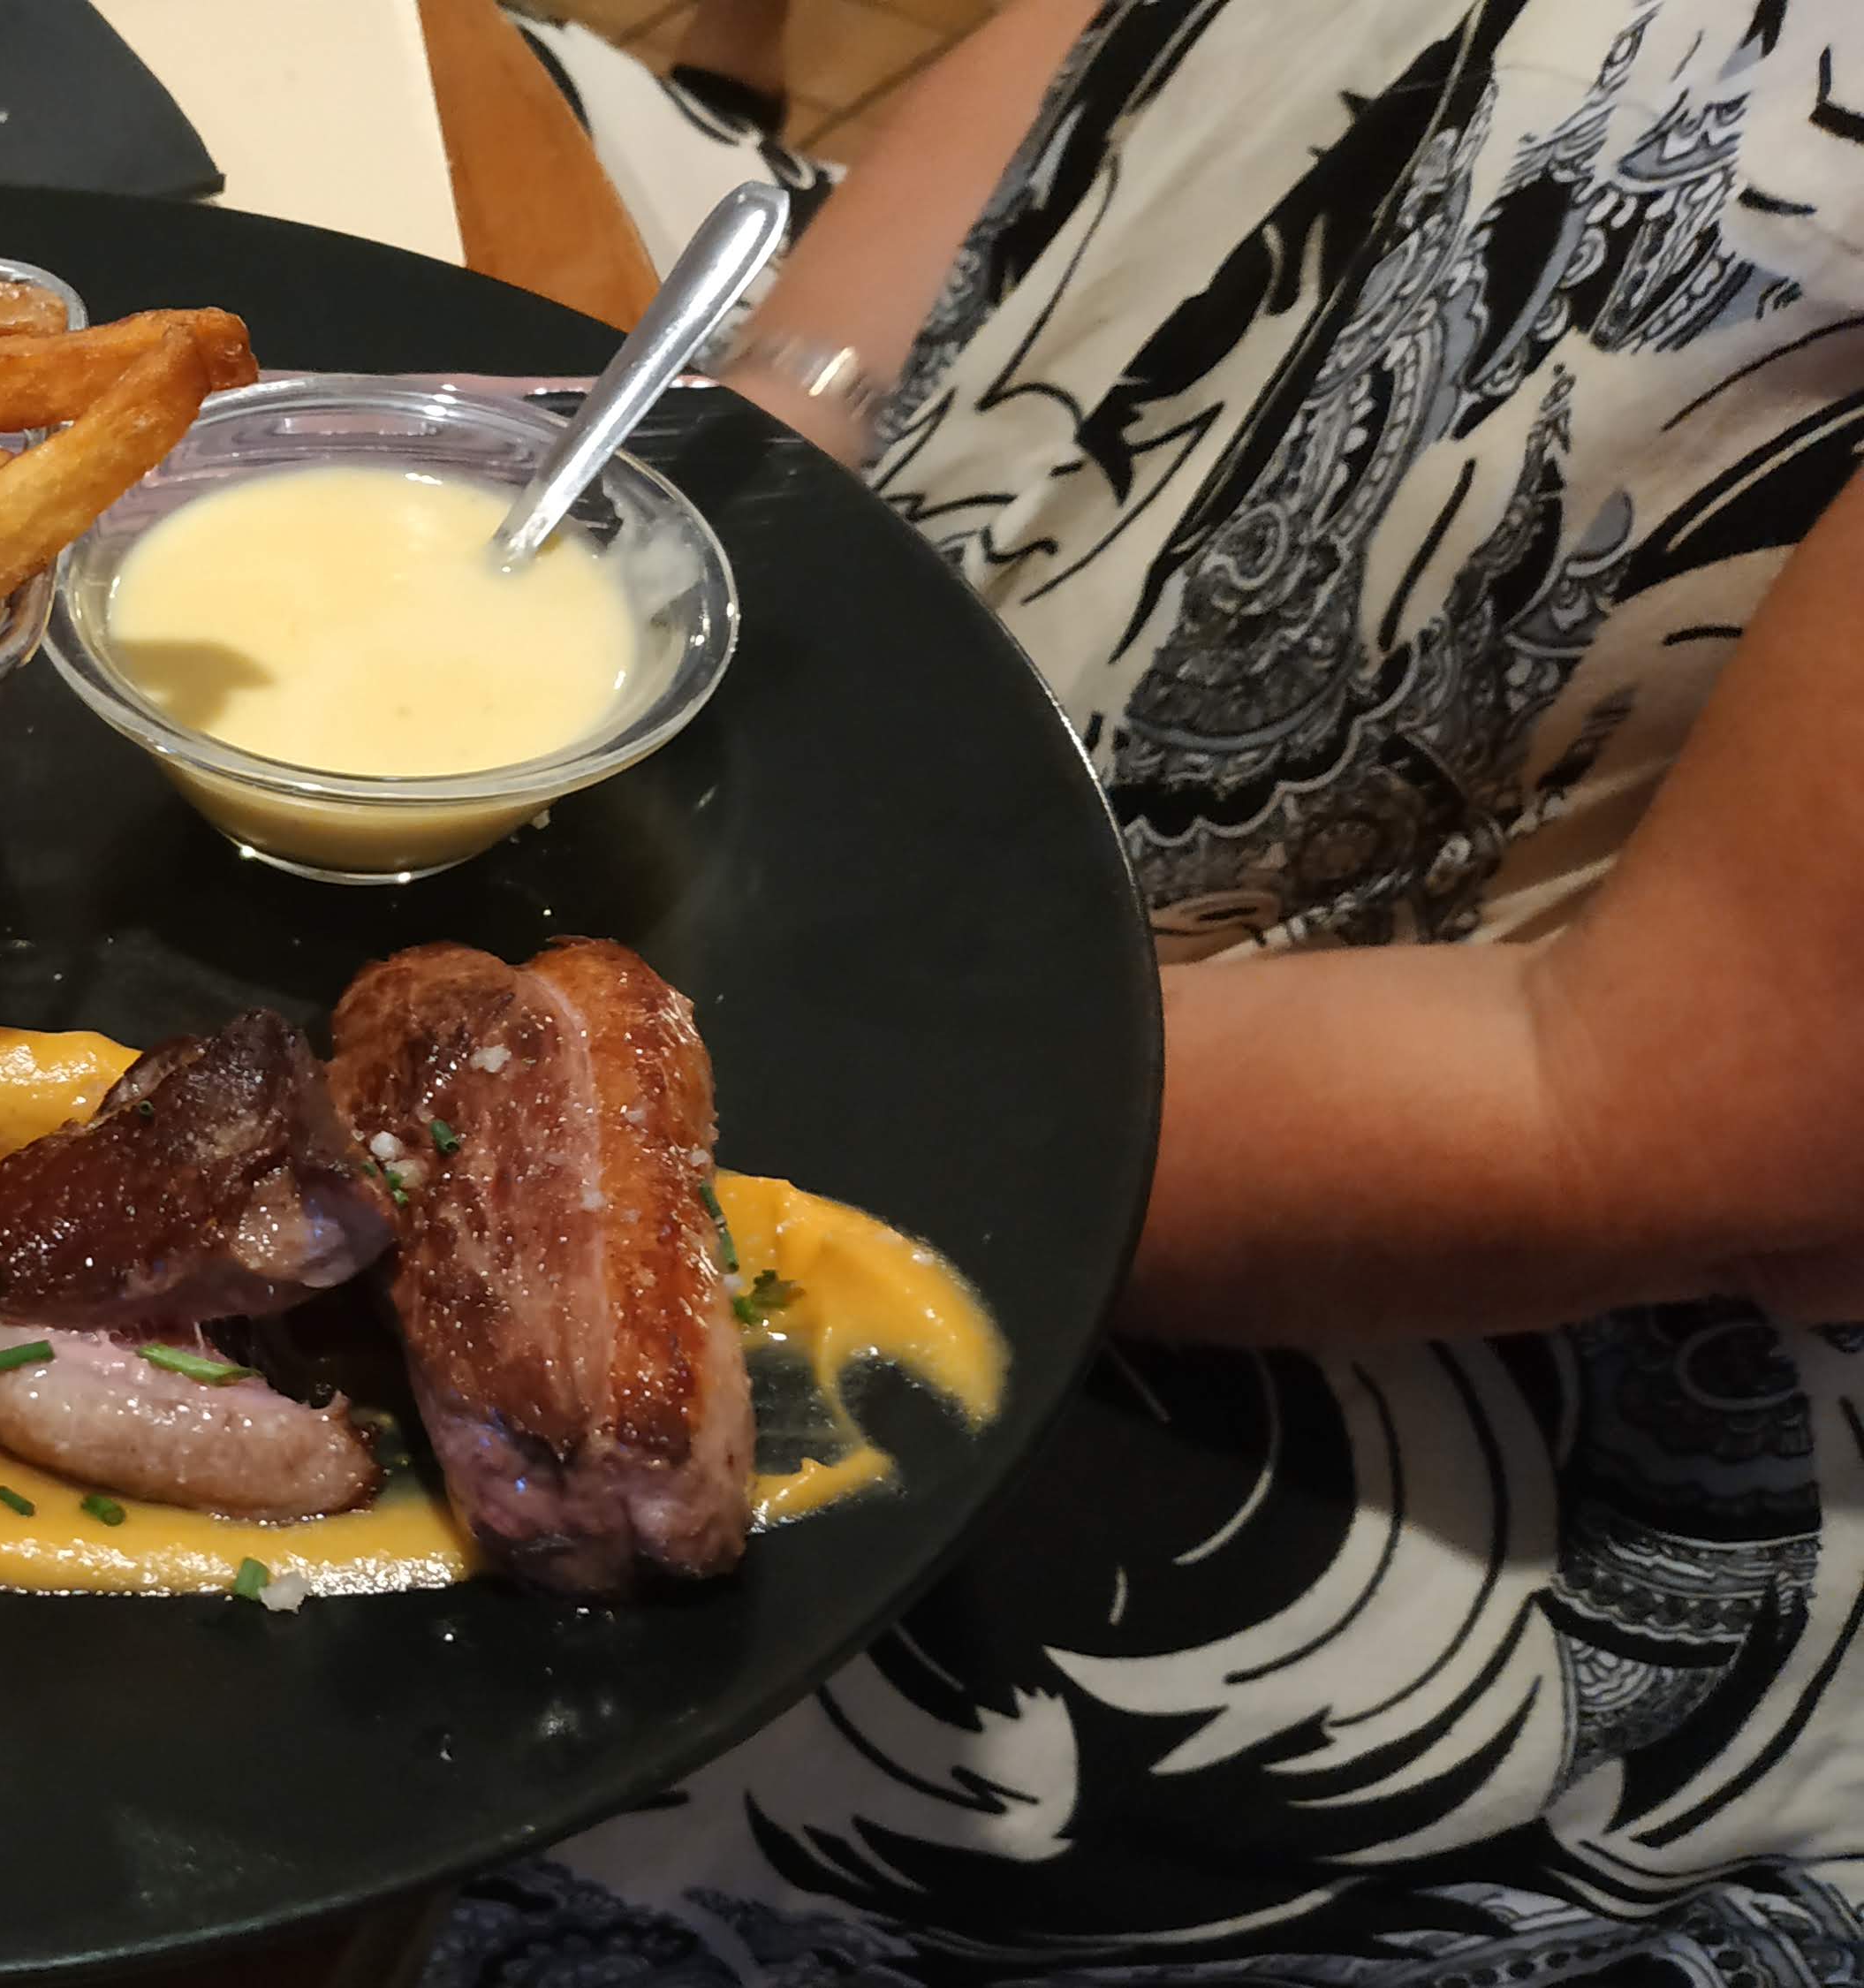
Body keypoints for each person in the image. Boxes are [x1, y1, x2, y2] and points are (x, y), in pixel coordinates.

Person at [428, 0, 1864, 1979]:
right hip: (894, 667)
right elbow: (1096, 41)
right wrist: (783, 425)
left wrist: (662, 1116)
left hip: (1357, 1295)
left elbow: (1652, 1114)